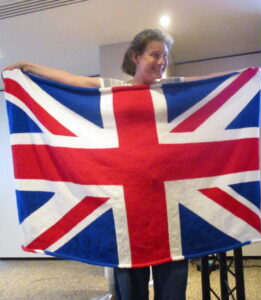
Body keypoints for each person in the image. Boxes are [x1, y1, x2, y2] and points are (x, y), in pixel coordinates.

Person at [4, 29, 231, 300]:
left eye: (165, 56)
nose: (161, 61)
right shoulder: (114, 90)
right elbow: (73, 81)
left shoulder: (171, 92)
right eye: (154, 54)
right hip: (126, 214)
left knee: (172, 292)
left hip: (170, 211)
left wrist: (241, 79)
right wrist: (30, 67)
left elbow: (209, 84)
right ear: (136, 56)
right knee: (130, 293)